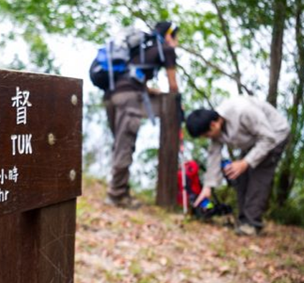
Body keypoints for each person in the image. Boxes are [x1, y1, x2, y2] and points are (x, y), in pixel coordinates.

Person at [186, 96, 290, 235]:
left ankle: (252, 224)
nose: (208, 138)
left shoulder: (243, 111)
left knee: (258, 177)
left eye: (206, 135)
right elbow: (214, 156)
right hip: (253, 141)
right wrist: (207, 187)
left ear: (213, 125)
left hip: (274, 136)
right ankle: (243, 220)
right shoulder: (216, 128)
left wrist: (245, 162)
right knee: (238, 175)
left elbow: (267, 138)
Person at [105, 21, 180, 207]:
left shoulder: (142, 49)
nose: (177, 42)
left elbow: (133, 74)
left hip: (111, 95)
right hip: (129, 99)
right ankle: (116, 195)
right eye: (176, 37)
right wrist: (177, 103)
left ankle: (121, 190)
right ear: (169, 35)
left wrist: (149, 90)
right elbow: (173, 86)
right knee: (125, 145)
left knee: (120, 143)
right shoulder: (166, 50)